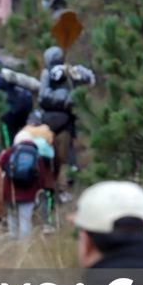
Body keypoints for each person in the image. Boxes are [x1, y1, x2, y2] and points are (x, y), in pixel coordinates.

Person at [38, 46, 95, 202]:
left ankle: (63, 189)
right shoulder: (47, 75)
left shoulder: (70, 73)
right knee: (51, 157)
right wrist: (64, 97)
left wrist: (75, 73)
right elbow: (42, 96)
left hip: (65, 123)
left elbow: (89, 79)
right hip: (50, 124)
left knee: (65, 157)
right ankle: (52, 190)